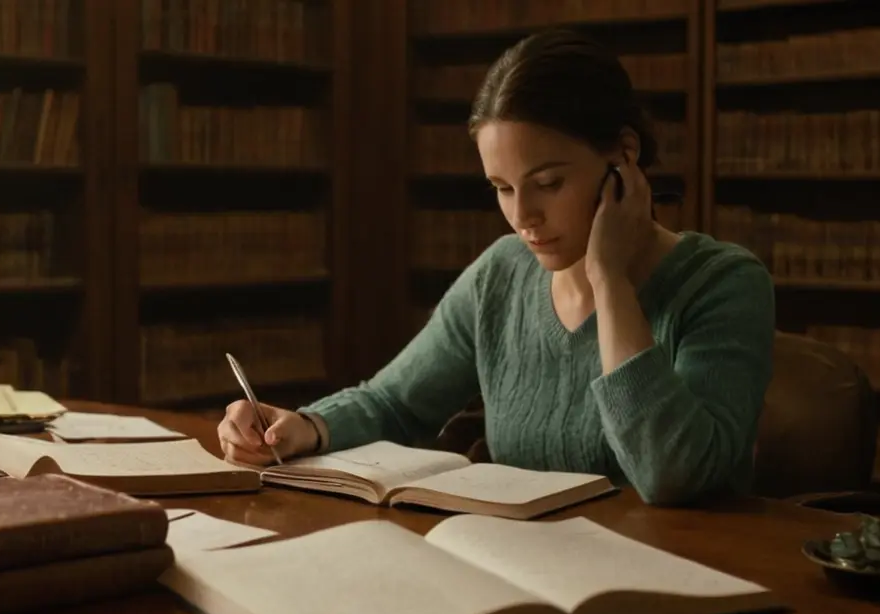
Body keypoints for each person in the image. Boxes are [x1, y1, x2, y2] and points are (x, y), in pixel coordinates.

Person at [216, 28, 775, 506]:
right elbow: (396, 401)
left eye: (548, 183)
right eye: (502, 188)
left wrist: (609, 283)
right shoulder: (502, 274)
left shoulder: (723, 284)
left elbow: (672, 475)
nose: (523, 217)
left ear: (624, 156)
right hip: (526, 576)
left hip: (678, 593)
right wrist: (304, 428)